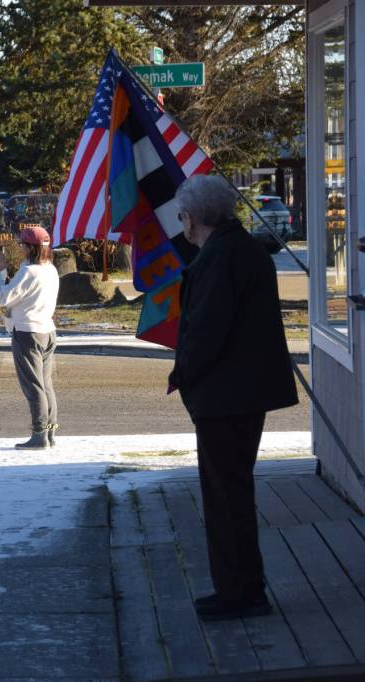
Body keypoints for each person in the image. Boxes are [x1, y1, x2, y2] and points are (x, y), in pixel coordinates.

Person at [168, 174, 298, 621]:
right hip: (239, 392)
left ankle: (239, 592)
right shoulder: (237, 248)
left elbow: (207, 329)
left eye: (182, 214)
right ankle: (241, 586)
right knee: (232, 494)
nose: (181, 223)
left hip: (227, 396)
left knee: (225, 498)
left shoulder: (223, 256)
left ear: (196, 217)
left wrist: (184, 372)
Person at [0, 226, 59, 450]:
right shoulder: (50, 269)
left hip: (27, 332)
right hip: (47, 330)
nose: (20, 247)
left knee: (33, 387)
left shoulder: (29, 271)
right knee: (46, 385)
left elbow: (3, 298)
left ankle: (39, 435)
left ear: (31, 247)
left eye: (22, 244)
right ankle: (50, 434)